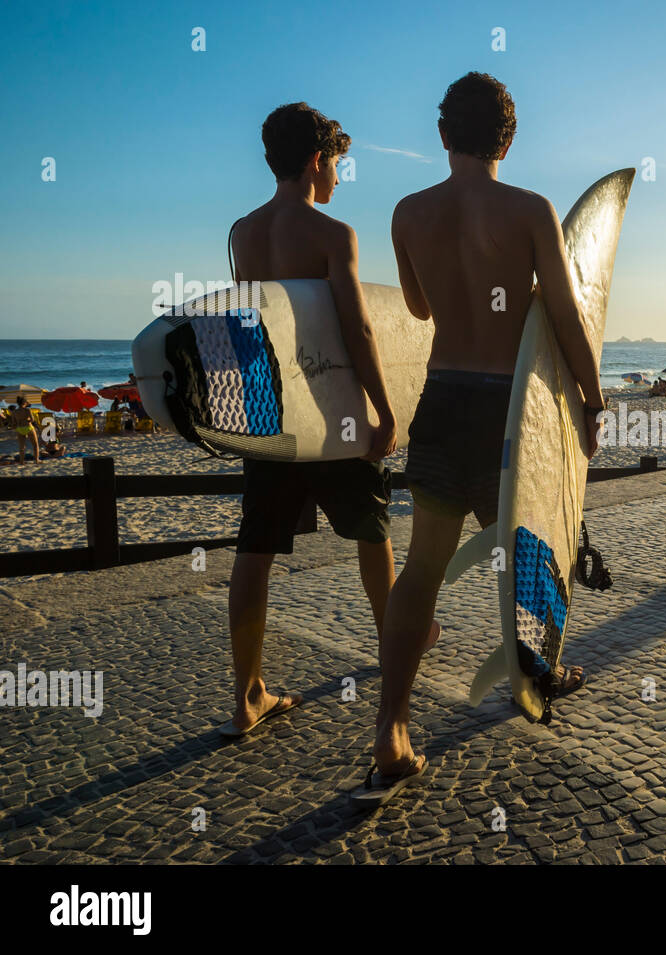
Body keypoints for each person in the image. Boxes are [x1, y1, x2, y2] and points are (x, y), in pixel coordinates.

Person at [361, 72, 601, 804]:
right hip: (509, 411)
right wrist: (592, 397)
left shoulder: (407, 213)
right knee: (531, 549)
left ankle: (391, 732)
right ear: (509, 138)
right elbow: (565, 312)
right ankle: (539, 670)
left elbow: (419, 305)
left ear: (442, 135)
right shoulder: (531, 210)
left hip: (444, 399)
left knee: (421, 570)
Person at [221, 102, 411, 739]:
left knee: (256, 549)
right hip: (332, 415)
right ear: (313, 160)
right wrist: (384, 411)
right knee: (371, 531)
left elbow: (254, 327)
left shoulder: (241, 234)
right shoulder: (334, 235)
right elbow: (356, 327)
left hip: (270, 416)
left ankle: (249, 695)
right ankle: (395, 655)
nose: (337, 175)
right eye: (335, 163)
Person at [12, 397, 39, 463]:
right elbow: (32, 420)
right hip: (28, 427)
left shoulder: (14, 412)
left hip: (20, 428)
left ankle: (21, 461)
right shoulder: (27, 410)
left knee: (22, 447)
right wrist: (27, 420)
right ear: (24, 403)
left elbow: (13, 423)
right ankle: (36, 460)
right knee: (35, 445)